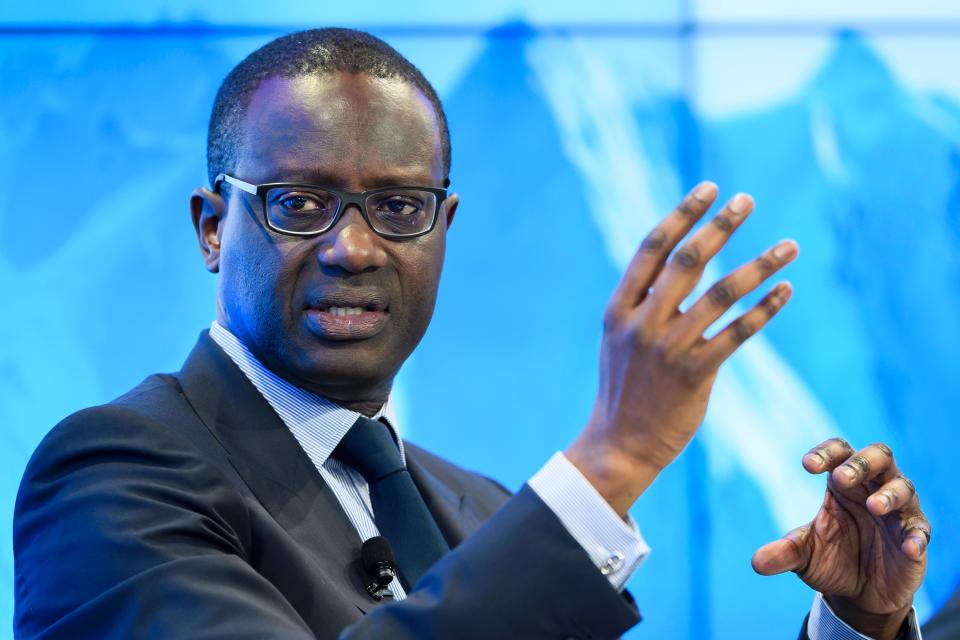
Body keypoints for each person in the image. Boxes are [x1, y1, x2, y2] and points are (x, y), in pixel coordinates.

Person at [14, 28, 931, 640]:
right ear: (213, 228)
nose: (353, 247)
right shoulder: (110, 475)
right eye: (298, 204)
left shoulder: (482, 510)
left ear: (444, 227)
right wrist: (616, 458)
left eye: (400, 207)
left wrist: (855, 622)